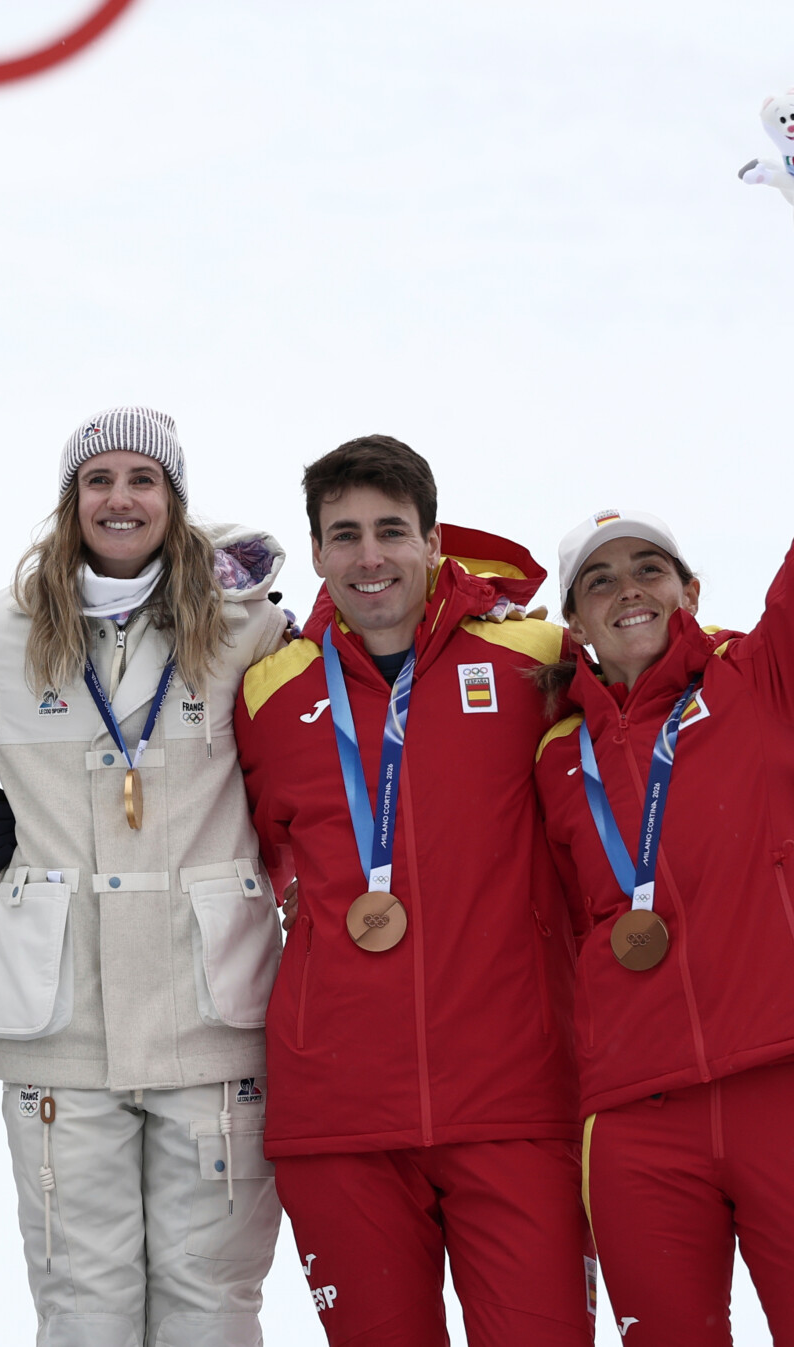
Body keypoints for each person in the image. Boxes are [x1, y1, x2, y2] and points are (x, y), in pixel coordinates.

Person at [532, 230, 794, 1344]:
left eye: (648, 568)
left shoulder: (761, 685)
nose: (625, 590)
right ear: (574, 622)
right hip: (635, 1120)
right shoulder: (552, 758)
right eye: (596, 581)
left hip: (789, 1087)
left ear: (689, 589)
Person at [0, 406, 290, 1347]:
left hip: (212, 1012)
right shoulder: (0, 635)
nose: (120, 497)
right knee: (81, 1308)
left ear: (175, 502)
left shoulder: (245, 630)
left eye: (144, 479)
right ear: (70, 503)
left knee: (211, 1305)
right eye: (99, 480)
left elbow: (313, 753)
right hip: (63, 1018)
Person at [230, 440, 590, 1346]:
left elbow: (656, 730)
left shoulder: (535, 661)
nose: (369, 556)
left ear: (433, 541)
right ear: (315, 553)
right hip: (340, 1117)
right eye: (344, 534)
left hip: (516, 1103)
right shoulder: (271, 693)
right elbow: (219, 839)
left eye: (392, 530)